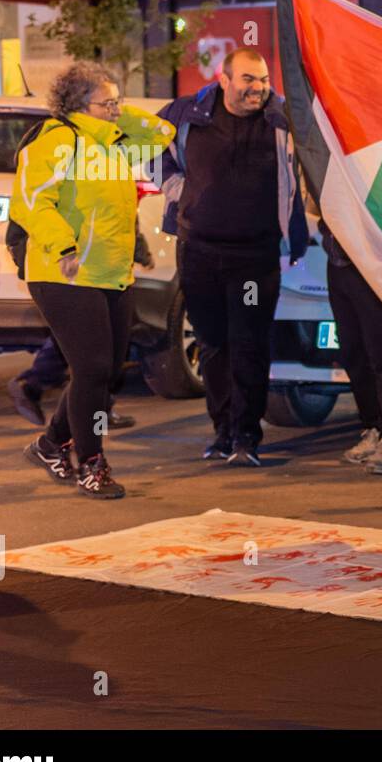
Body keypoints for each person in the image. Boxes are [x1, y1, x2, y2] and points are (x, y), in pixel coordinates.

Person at [14, 62, 174, 498]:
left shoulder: (114, 145)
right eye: (109, 102)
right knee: (92, 369)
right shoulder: (57, 142)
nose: (117, 109)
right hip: (64, 272)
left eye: (118, 101)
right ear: (81, 104)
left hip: (111, 274)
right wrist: (63, 246)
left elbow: (163, 133)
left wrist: (120, 112)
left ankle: (50, 444)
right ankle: (91, 463)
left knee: (104, 371)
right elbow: (32, 202)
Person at [157, 49, 309, 468]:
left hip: (256, 255)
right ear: (224, 81)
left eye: (262, 80)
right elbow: (150, 149)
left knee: (250, 344)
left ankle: (247, 435)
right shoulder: (187, 112)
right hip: (200, 250)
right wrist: (176, 189)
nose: (257, 88)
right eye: (248, 80)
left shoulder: (282, 118)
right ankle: (222, 432)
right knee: (213, 344)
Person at [8, 226, 154, 428]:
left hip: (98, 269)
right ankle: (76, 428)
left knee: (97, 360)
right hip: (73, 271)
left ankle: (88, 420)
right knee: (94, 361)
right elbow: (26, 215)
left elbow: (119, 214)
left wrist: (137, 247)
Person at [320, 219, 382, 475]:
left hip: (370, 264)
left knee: (381, 355)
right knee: (351, 352)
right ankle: (373, 427)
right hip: (338, 264)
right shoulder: (330, 178)